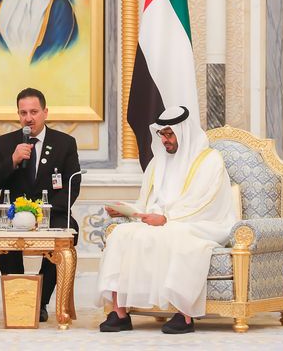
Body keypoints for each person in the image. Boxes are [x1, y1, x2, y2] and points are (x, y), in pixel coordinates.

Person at [96, 106, 237, 334]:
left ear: (184, 132)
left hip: (203, 224)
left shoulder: (209, 160)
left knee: (179, 236)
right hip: (159, 222)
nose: (164, 140)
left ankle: (185, 315)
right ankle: (119, 313)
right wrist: (129, 211)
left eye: (169, 134)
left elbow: (204, 203)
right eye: (161, 134)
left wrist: (167, 218)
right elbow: (147, 202)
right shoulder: (157, 163)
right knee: (121, 234)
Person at [0, 87, 81, 322]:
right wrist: (12, 160)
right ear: (18, 115)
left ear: (45, 112)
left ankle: (40, 301)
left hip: (50, 211)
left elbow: (72, 187)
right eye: (23, 112)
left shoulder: (65, 143)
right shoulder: (5, 143)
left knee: (66, 231)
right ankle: (20, 297)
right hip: (11, 213)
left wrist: (40, 214)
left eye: (34, 111)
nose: (29, 118)